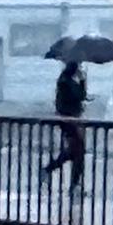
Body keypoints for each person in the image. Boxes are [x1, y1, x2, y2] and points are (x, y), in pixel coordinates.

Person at [40, 50, 88, 196]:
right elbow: (79, 95)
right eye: (78, 66)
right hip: (69, 120)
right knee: (78, 151)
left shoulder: (66, 80)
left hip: (71, 119)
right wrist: (83, 81)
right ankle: (73, 186)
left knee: (74, 151)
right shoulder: (66, 81)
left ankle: (51, 171)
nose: (79, 68)